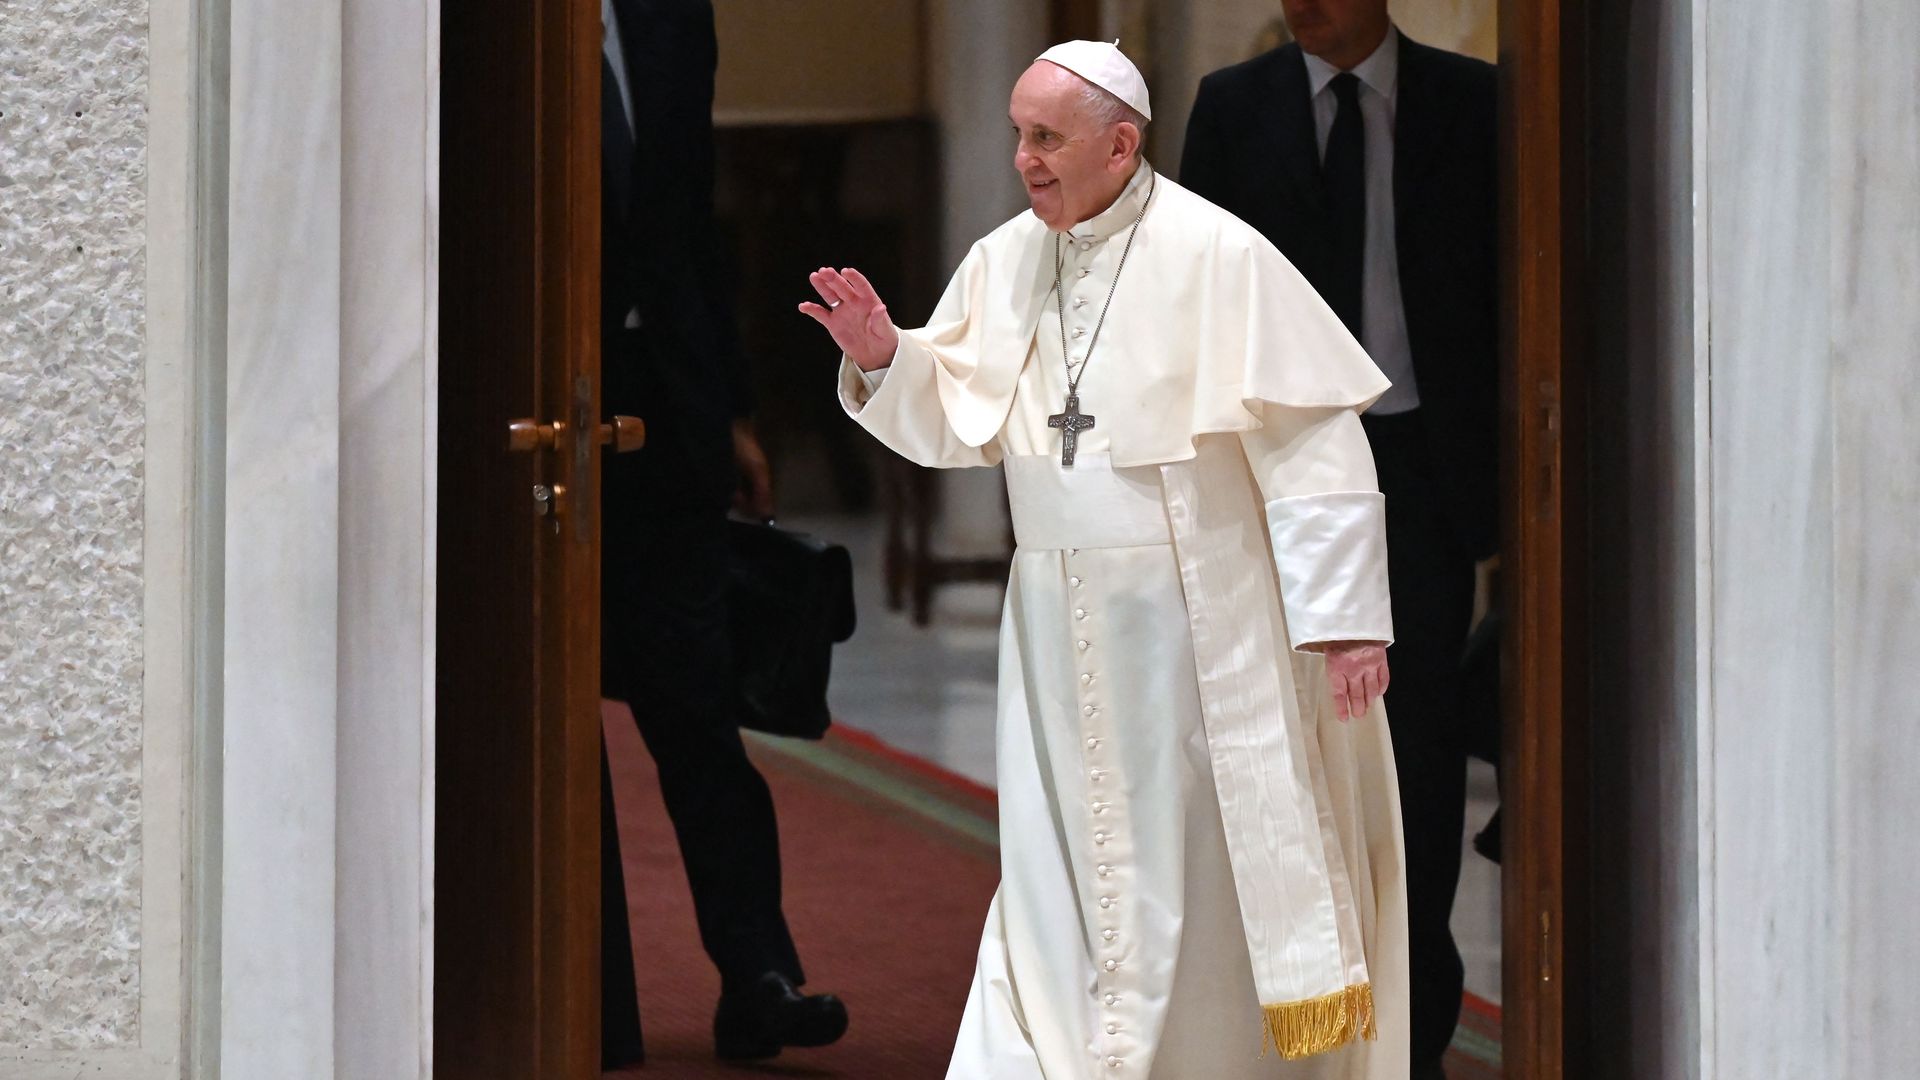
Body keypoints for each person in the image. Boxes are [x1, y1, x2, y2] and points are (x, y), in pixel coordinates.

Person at [802, 41, 1408, 1079]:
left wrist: (1345, 617)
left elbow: (1315, 439)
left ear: (1120, 144)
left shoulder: (1219, 256)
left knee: (1194, 878)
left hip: (1194, 628)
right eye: (1018, 136)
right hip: (1051, 626)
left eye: (1047, 138)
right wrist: (887, 358)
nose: (1024, 160)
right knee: (1052, 869)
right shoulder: (1006, 259)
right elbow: (960, 419)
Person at [1180, 5, 1499, 1076]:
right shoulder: (1236, 107)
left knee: (1418, 751)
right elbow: (1191, 293)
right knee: (1291, 746)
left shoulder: (1473, 103)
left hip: (1421, 476)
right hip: (1281, 479)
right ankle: (1303, 1023)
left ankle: (1414, 1026)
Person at [598, 0, 847, 1065]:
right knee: (547, 729)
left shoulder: (664, 14)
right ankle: (582, 996)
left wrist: (734, 409)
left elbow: (691, 218)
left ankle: (760, 976)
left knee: (696, 704)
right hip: (525, 419)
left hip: (665, 416)